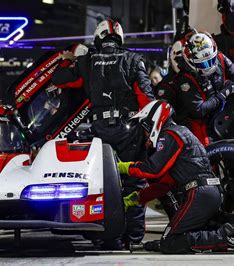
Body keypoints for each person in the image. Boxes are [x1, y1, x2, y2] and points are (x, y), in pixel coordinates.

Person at [52, 18, 155, 249]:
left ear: (98, 37)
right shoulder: (133, 59)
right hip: (130, 130)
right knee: (134, 184)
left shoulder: (86, 61)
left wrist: (67, 61)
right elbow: (147, 100)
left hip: (100, 133)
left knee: (102, 185)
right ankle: (134, 239)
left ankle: (108, 238)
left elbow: (59, 80)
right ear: (120, 37)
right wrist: (150, 133)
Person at [118, 100, 234, 254]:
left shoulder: (170, 135)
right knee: (174, 240)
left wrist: (124, 167)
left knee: (170, 242)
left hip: (199, 193)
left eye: (145, 129)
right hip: (209, 193)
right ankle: (226, 231)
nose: (145, 135)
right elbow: (166, 185)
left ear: (152, 121)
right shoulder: (181, 132)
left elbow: (153, 169)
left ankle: (225, 236)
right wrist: (138, 197)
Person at [173, 31, 234, 146]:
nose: (209, 66)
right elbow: (199, 110)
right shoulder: (185, 79)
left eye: (210, 60)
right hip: (202, 123)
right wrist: (223, 94)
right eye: (203, 63)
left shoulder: (219, 57)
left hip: (224, 113)